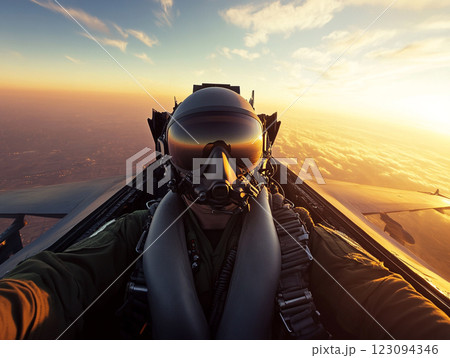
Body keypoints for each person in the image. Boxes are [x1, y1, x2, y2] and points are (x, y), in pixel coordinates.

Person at [1, 86, 450, 340]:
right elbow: (56, 281)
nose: (218, 170)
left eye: (239, 150)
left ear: (261, 154)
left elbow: (374, 290)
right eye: (194, 148)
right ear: (168, 154)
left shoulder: (297, 236)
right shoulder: (135, 233)